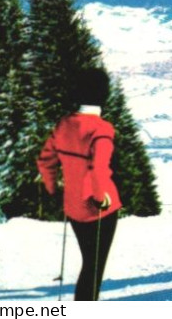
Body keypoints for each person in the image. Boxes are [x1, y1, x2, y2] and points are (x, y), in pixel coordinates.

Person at [37, 68, 122, 301]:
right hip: (99, 208)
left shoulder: (64, 124)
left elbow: (45, 162)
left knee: (88, 265)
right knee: (94, 270)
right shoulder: (102, 129)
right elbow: (99, 169)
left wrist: (53, 189)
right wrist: (100, 196)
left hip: (73, 206)